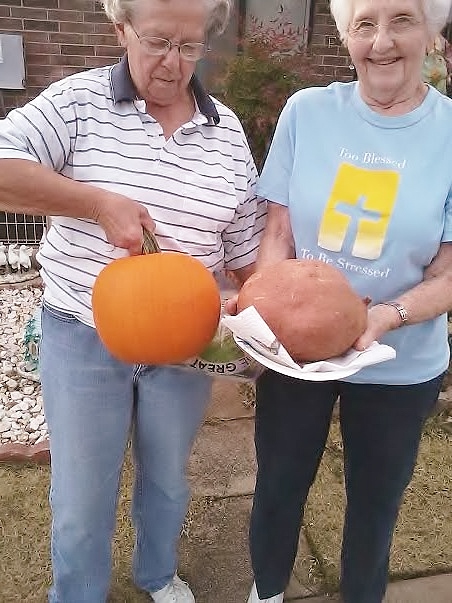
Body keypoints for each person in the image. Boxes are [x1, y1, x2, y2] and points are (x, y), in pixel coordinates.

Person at [0, 0, 266, 601]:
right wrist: (95, 202)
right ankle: (79, 592)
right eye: (158, 42)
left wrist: (250, 305)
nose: (174, 63)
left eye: (190, 45)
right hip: (83, 332)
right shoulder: (77, 103)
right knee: (81, 491)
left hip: (184, 341)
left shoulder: (226, 137)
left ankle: (156, 574)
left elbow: (247, 253)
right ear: (121, 28)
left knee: (169, 478)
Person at [244, 0, 452, 602]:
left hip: (400, 360)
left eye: (402, 20)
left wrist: (383, 317)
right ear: (346, 36)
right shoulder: (306, 114)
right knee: (279, 485)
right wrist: (266, 318)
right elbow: (278, 237)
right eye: (365, 24)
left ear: (432, 33)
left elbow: (447, 271)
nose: (381, 42)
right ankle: (267, 591)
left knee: (376, 501)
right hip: (299, 353)